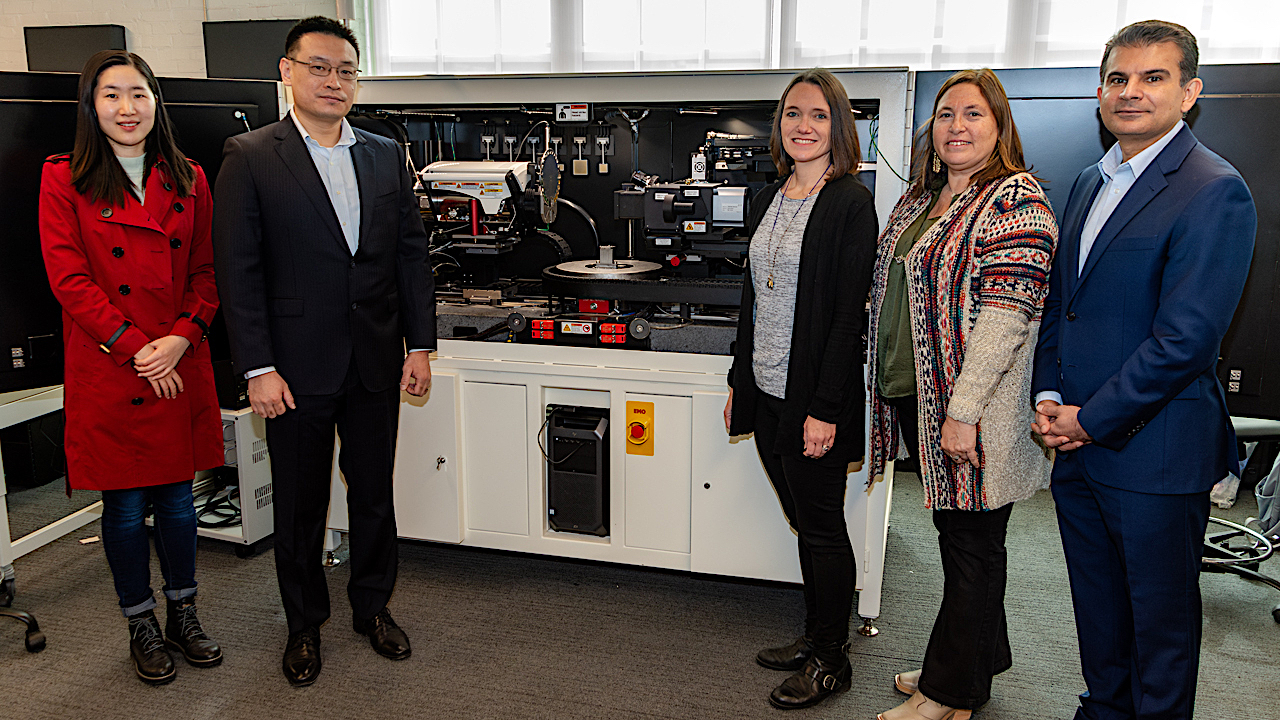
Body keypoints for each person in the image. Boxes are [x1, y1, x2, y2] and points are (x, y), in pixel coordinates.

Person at [1032, 20, 1255, 720]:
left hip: (1154, 454)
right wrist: (1047, 396)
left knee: (1159, 631)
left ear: (1191, 92)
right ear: (1100, 92)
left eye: (1154, 77)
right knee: (1099, 614)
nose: (1132, 92)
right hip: (1077, 448)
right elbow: (1061, 305)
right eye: (1119, 79)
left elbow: (1185, 341)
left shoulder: (1214, 189)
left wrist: (1088, 419)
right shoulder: (1088, 181)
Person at [213, 17, 435, 687]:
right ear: (287, 72)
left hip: (374, 363)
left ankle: (372, 609)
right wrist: (256, 367)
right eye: (319, 67)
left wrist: (420, 344)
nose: (333, 81)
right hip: (292, 370)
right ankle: (304, 626)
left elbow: (409, 256)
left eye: (345, 70)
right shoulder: (249, 155)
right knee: (302, 506)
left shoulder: (382, 153)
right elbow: (238, 272)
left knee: (373, 496)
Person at [866, 68, 1057, 720]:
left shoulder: (1015, 200)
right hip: (916, 397)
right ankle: (973, 660)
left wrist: (962, 411)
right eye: (946, 115)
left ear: (999, 126)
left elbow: (1007, 317)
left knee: (972, 547)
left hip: (974, 411)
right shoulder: (919, 202)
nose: (957, 127)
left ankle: (948, 693)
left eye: (974, 115)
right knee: (965, 542)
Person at [39, 50, 224, 685]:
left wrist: (178, 339)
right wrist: (137, 348)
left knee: (178, 502)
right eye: (112, 95)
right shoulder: (64, 178)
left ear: (156, 102)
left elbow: (205, 273)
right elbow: (69, 279)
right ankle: (139, 620)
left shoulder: (190, 177)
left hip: (175, 358)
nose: (127, 107)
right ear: (91, 106)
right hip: (112, 364)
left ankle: (184, 612)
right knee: (121, 509)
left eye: (139, 94)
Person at [723, 68, 878, 710]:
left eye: (817, 115)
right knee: (802, 520)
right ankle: (816, 635)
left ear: (837, 125)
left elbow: (848, 317)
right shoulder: (770, 196)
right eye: (792, 115)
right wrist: (739, 381)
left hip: (814, 397)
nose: (803, 126)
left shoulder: (849, 201)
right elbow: (752, 299)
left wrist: (825, 409)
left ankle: (832, 660)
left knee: (820, 527)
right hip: (765, 388)